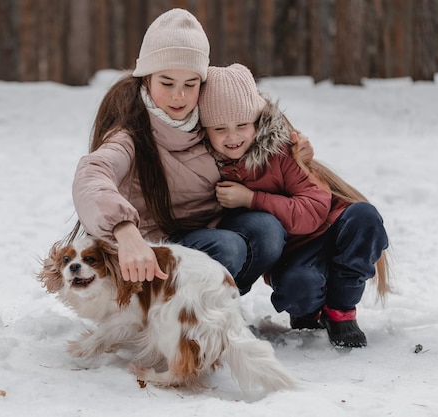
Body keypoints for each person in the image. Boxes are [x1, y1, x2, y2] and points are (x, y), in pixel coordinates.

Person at [71, 9, 314, 289]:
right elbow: (92, 173)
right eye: (167, 82)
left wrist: (293, 149)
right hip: (150, 252)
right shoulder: (130, 134)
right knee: (228, 247)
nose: (179, 96)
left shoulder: (212, 117)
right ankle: (179, 313)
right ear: (146, 78)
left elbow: (252, 127)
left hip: (208, 229)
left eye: (190, 83)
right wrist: (124, 230)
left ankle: (220, 306)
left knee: (267, 230)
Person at [198, 63, 390, 348]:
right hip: (294, 251)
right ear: (205, 129)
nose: (233, 137)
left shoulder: (279, 151)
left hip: (328, 225)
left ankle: (341, 311)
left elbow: (313, 211)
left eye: (242, 126)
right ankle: (309, 309)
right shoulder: (206, 166)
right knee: (299, 288)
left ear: (256, 122)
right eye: (220, 129)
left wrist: (251, 199)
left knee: (365, 217)